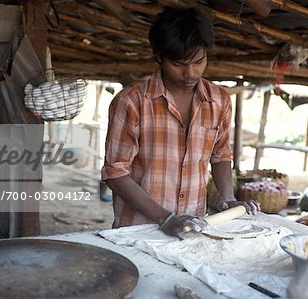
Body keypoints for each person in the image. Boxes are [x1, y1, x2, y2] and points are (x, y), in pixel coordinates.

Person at [101, 6, 260, 239]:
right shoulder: (132, 101)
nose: (190, 73)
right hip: (138, 231)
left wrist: (227, 197)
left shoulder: (219, 100)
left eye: (198, 61)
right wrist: (165, 218)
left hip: (193, 228)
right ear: (159, 56)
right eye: (178, 64)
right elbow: (115, 173)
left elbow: (220, 155)